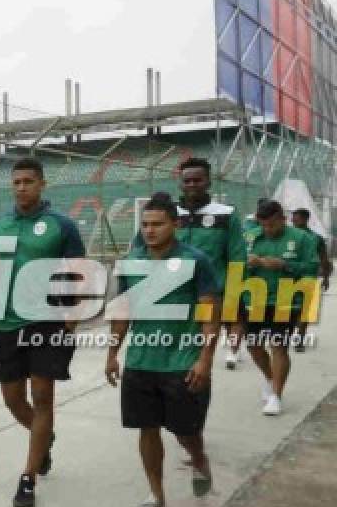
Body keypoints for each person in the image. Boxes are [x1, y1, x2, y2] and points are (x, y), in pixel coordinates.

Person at [0, 157, 86, 507]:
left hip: (47, 322)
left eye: (28, 181)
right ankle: (44, 437)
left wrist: (74, 313)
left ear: (42, 184)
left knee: (42, 395)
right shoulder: (0, 225)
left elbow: (78, 271)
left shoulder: (61, 225)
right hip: (7, 323)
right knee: (13, 399)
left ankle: (28, 477)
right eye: (16, 182)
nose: (21, 187)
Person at [105, 193, 220, 507]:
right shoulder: (131, 262)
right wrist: (113, 353)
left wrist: (205, 359)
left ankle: (199, 459)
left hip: (182, 361)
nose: (150, 230)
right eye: (145, 225)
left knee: (186, 433)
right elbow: (123, 311)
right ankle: (156, 495)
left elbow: (210, 313)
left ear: (176, 224)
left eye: (157, 224)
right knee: (147, 428)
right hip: (141, 361)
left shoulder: (197, 261)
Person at [129, 158, 246, 370]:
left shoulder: (226, 214)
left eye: (197, 180)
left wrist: (232, 296)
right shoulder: (165, 214)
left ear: (208, 181)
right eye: (187, 180)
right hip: (168, 296)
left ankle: (218, 361)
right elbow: (140, 250)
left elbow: (237, 258)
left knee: (198, 355)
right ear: (180, 183)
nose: (192, 184)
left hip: (207, 297)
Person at [241, 200, 320, 416]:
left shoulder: (302, 238)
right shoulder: (250, 237)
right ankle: (270, 378)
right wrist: (246, 264)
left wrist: (285, 265)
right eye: (263, 225)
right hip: (254, 298)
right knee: (254, 346)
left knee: (279, 346)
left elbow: (313, 269)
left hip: (286, 299)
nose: (267, 230)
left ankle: (276, 395)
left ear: (283, 219)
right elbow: (236, 264)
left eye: (272, 225)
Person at [289, 208, 331, 353]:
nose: (293, 220)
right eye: (292, 218)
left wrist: (325, 277)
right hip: (287, 277)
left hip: (308, 277)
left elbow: (324, 259)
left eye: (296, 218)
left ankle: (299, 340)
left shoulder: (316, 238)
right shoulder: (286, 235)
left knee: (305, 309)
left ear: (305, 219)